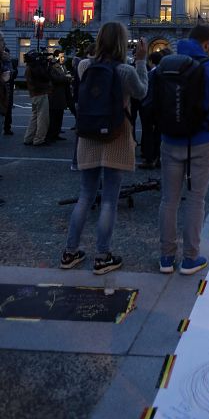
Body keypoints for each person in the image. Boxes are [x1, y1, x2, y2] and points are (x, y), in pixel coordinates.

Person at [60, 23, 148, 275]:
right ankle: (102, 255)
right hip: (116, 136)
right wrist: (141, 61)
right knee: (109, 198)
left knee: (85, 196)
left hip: (88, 135)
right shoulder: (125, 71)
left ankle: (69, 251)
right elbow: (142, 93)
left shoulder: (85, 65)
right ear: (122, 42)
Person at [158, 24, 209, 275]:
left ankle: (166, 258)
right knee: (195, 199)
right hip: (201, 140)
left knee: (169, 200)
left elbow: (149, 100)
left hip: (170, 139)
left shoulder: (165, 65)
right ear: (207, 44)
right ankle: (190, 258)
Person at [23, 50, 52, 146]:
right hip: (40, 93)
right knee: (43, 118)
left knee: (34, 117)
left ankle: (28, 138)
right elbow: (45, 77)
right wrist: (44, 65)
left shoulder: (29, 67)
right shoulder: (35, 67)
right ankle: (39, 139)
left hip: (34, 94)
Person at [46, 50, 71, 143]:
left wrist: (67, 77)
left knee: (60, 116)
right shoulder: (53, 66)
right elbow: (55, 79)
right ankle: (51, 135)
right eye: (61, 57)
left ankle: (56, 134)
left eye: (64, 57)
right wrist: (66, 77)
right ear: (56, 57)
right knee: (53, 116)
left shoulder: (63, 66)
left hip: (62, 94)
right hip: (55, 94)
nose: (63, 58)